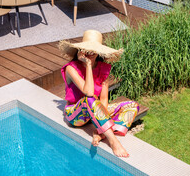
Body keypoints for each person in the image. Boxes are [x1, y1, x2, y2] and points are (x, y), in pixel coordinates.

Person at [59, 30, 139, 158]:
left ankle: (101, 133)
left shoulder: (104, 68)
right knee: (89, 99)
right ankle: (113, 141)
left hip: (94, 113)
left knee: (131, 105)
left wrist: (100, 122)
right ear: (80, 50)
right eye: (87, 49)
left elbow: (103, 99)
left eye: (93, 50)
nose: (90, 53)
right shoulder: (71, 68)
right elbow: (89, 92)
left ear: (99, 52)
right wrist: (88, 65)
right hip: (75, 114)